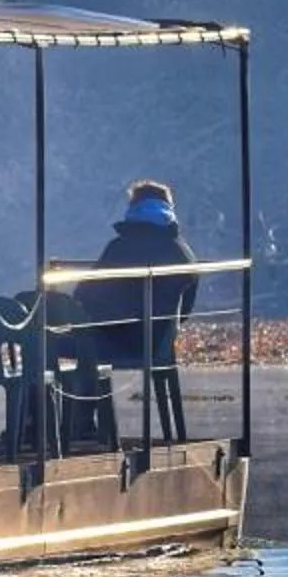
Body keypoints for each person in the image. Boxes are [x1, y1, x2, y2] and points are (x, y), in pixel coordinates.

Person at [76, 178, 198, 444]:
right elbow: (186, 307)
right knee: (87, 345)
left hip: (115, 337)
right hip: (159, 340)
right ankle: (77, 421)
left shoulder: (120, 247)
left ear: (134, 208)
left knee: (46, 346)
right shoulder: (182, 250)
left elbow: (84, 293)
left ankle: (65, 423)